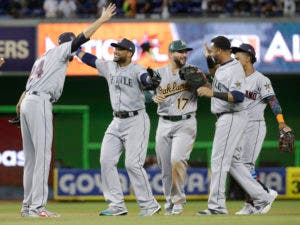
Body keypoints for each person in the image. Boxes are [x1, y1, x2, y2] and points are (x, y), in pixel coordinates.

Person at [16, 4, 116, 218]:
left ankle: (27, 206)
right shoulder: (61, 50)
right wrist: (101, 20)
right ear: (66, 45)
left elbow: (26, 90)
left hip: (27, 101)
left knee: (32, 160)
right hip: (40, 101)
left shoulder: (42, 57)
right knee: (43, 156)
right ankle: (37, 208)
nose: (74, 53)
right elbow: (81, 38)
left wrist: (21, 110)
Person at [76, 38, 161, 216]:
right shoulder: (109, 67)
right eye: (115, 48)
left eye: (120, 49)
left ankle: (149, 205)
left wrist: (149, 81)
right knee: (106, 161)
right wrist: (75, 49)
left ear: (129, 53)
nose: (116, 51)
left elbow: (145, 78)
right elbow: (90, 60)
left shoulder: (137, 68)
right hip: (116, 121)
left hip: (136, 120)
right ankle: (116, 205)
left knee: (132, 164)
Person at [196, 36, 277, 215]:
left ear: (221, 50)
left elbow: (238, 96)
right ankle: (263, 197)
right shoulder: (224, 68)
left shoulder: (234, 69)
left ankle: (216, 207)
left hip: (232, 116)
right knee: (233, 163)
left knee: (219, 161)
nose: (212, 52)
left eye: (213, 50)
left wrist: (211, 93)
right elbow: (215, 76)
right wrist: (208, 58)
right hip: (228, 117)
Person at [231, 43, 292, 214]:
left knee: (246, 165)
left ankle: (260, 197)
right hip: (239, 125)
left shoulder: (261, 79)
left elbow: (272, 100)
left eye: (239, 54)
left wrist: (281, 121)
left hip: (255, 125)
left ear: (249, 58)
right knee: (238, 166)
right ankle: (254, 201)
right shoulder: (236, 79)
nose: (236, 57)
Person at [152, 40, 209, 215]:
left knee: (177, 160)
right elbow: (146, 93)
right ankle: (169, 201)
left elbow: (208, 89)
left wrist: (203, 82)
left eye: (186, 52)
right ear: (170, 53)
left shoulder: (193, 71)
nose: (184, 55)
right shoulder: (158, 73)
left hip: (186, 122)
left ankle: (178, 202)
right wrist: (152, 97)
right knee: (164, 166)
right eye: (180, 52)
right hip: (164, 122)